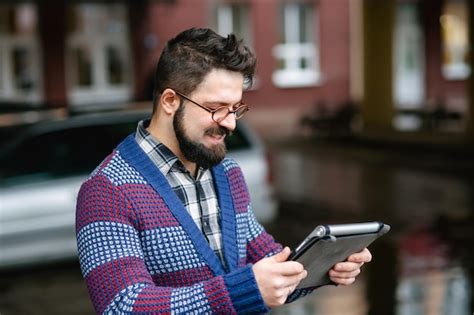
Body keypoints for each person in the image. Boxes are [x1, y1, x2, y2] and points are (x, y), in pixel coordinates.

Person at [76, 27, 372, 314]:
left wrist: (326, 266)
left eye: (236, 108)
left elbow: (269, 267)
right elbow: (123, 306)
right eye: (217, 108)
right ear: (170, 101)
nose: (230, 123)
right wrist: (245, 291)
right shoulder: (105, 191)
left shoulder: (227, 173)